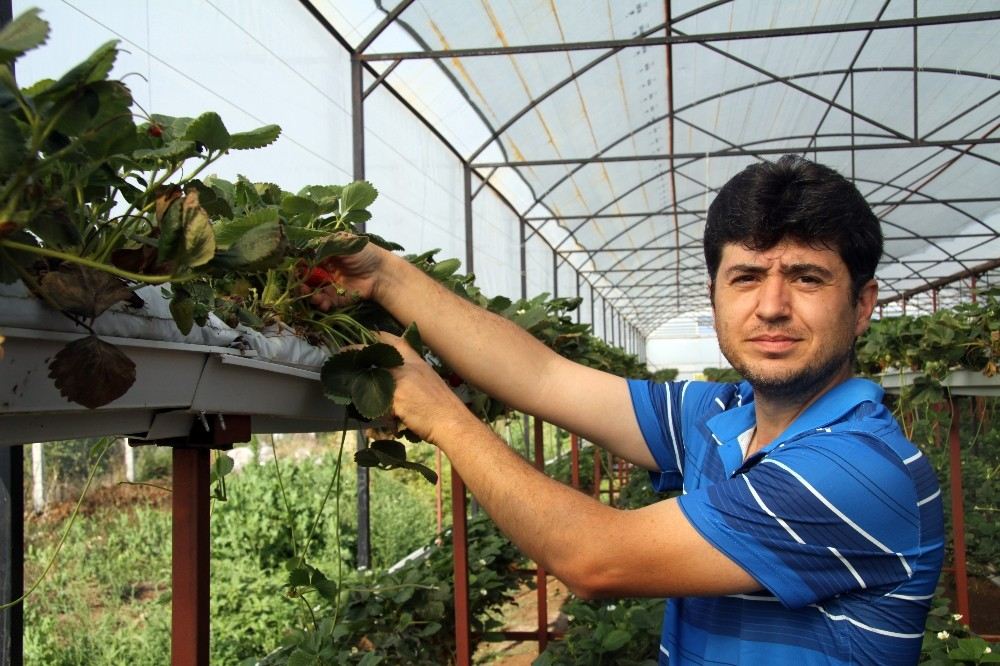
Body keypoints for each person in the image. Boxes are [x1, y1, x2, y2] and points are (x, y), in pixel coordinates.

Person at [312, 155, 944, 665]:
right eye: (746, 277)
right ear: (717, 296)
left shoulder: (858, 470)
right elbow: (543, 376)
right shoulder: (719, 414)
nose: (772, 305)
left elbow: (596, 558)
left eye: (808, 278)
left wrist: (444, 416)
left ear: (862, 305)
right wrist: (384, 277)